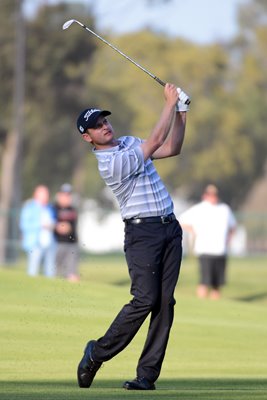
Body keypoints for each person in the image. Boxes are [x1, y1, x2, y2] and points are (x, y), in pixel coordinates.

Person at [75, 83, 189, 390]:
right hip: (143, 234)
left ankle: (146, 377)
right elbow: (154, 142)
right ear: (88, 137)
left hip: (169, 228)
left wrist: (181, 112)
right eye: (97, 127)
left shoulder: (127, 143)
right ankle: (96, 353)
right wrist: (168, 103)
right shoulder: (110, 163)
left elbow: (171, 147)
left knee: (165, 303)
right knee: (145, 300)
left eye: (105, 121)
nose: (104, 127)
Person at [179, 184, 237, 300]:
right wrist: (193, 231)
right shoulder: (199, 209)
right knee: (204, 281)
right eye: (210, 195)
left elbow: (233, 226)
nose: (213, 197)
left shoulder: (224, 209)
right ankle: (201, 304)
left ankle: (215, 305)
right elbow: (181, 220)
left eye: (215, 195)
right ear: (205, 195)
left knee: (217, 283)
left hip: (221, 250)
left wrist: (228, 239)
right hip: (205, 249)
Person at [19, 185, 56, 277]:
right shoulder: (29, 207)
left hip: (49, 243)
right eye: (44, 194)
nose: (46, 196)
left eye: (47, 194)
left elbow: (54, 222)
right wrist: (40, 225)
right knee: (33, 270)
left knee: (50, 271)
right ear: (36, 195)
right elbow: (24, 225)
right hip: (35, 243)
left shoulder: (49, 208)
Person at [54, 183, 80, 282]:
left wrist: (65, 227)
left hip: (71, 244)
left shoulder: (73, 210)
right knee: (54, 271)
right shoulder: (54, 208)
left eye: (68, 195)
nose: (67, 197)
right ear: (59, 195)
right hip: (57, 244)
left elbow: (71, 227)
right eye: (64, 195)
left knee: (71, 273)